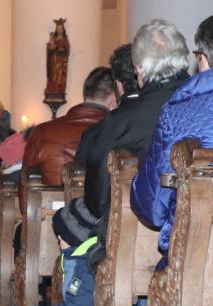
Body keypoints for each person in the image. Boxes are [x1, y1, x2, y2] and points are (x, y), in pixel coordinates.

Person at [130, 15, 213, 306]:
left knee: (162, 296)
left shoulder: (180, 109)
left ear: (202, 59)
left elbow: (152, 203)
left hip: (199, 259)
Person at [79, 25, 190, 270]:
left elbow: (96, 192)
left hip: (135, 241)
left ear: (139, 70)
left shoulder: (123, 119)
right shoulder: (201, 104)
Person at [22, 67, 116, 188]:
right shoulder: (118, 132)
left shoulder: (42, 132)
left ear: (86, 93)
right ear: (113, 99)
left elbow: (25, 188)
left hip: (51, 206)